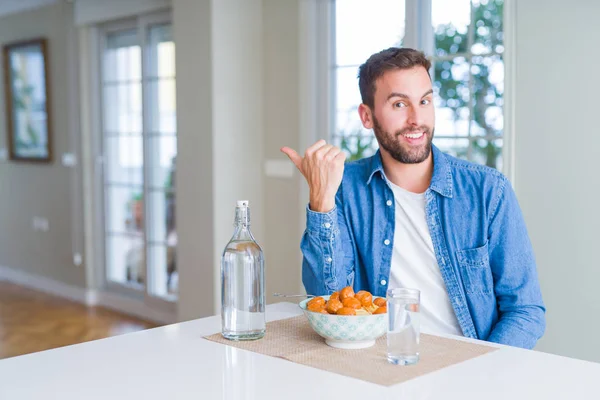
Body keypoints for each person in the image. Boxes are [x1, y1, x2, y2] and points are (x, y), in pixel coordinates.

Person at [281, 47, 545, 349]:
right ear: (367, 116)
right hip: (380, 364)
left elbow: (525, 311)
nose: (416, 119)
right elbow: (331, 306)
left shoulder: (487, 190)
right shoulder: (344, 189)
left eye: (425, 101)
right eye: (398, 104)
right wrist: (321, 202)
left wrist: (482, 374)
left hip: (468, 367)